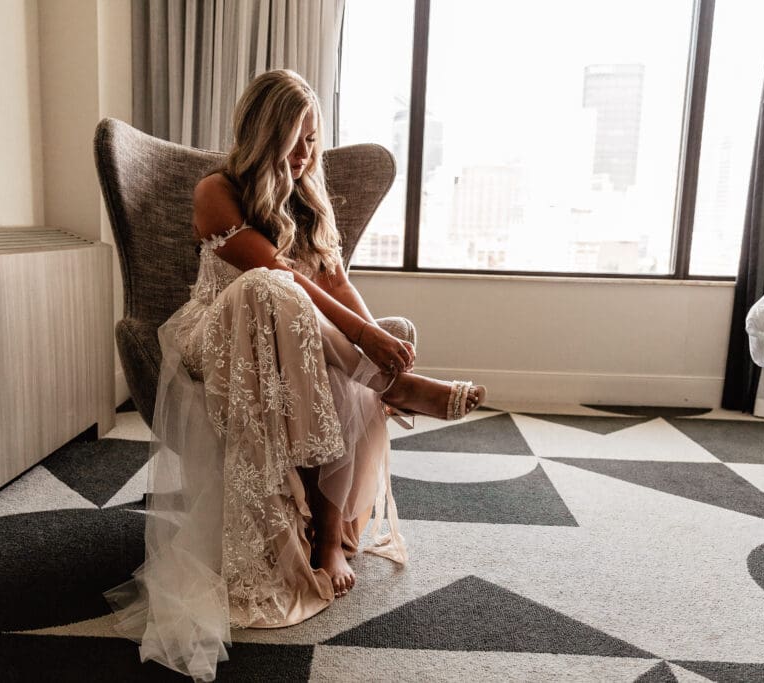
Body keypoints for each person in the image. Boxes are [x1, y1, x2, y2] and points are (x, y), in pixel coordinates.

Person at [107, 69, 486, 681]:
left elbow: (334, 281)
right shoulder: (216, 190)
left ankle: (328, 537)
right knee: (271, 284)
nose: (308, 153)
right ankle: (395, 391)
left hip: (294, 349)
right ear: (263, 132)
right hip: (220, 338)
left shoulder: (310, 197)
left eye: (314, 138)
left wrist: (378, 338)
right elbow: (282, 274)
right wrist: (363, 338)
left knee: (317, 343)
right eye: (296, 139)